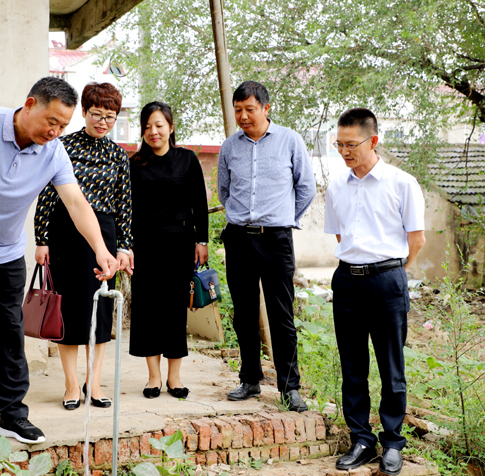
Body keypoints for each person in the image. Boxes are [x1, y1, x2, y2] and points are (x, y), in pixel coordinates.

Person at [0, 77, 117, 449]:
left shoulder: (53, 151)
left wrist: (100, 248)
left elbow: (76, 203)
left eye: (63, 125)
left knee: (11, 333)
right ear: (29, 105)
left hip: (8, 252)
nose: (55, 131)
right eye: (51, 121)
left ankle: (13, 415)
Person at [324, 108, 425, 476]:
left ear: (373, 141)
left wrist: (392, 273)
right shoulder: (336, 186)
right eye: (339, 144)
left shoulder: (402, 183)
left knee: (391, 367)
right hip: (347, 280)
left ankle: (393, 441)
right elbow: (341, 235)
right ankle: (361, 440)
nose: (344, 151)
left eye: (351, 144)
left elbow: (416, 239)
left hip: (387, 280)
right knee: (352, 366)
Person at [217, 81, 316, 411]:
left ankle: (290, 387)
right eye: (238, 110)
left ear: (265, 108)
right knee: (244, 314)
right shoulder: (229, 147)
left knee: (281, 314)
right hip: (239, 239)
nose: (243, 116)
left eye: (250, 109)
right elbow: (224, 192)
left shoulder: (290, 140)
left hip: (276, 240)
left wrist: (285, 218)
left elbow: (306, 188)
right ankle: (250, 380)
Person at [34, 82, 132, 411]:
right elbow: (47, 195)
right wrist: (42, 239)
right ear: (84, 113)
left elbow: (124, 205)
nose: (103, 122)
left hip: (103, 236)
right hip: (64, 233)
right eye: (96, 114)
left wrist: (124, 247)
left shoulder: (118, 155)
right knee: (68, 311)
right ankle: (71, 384)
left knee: (100, 311)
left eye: (110, 117)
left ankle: (95, 381)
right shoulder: (62, 146)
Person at [128, 101, 209, 399]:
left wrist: (202, 241)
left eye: (159, 125)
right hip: (145, 246)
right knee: (148, 308)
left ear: (171, 127)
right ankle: (153, 377)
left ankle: (175, 377)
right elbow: (128, 209)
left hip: (180, 244)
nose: (154, 131)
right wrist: (126, 247)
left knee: (175, 309)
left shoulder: (187, 160)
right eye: (148, 126)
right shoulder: (135, 164)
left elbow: (199, 203)